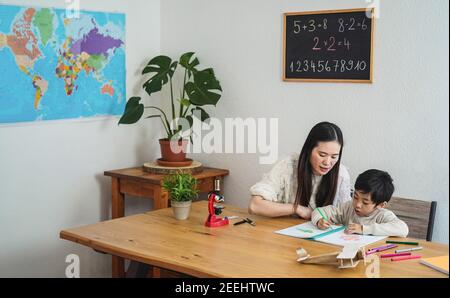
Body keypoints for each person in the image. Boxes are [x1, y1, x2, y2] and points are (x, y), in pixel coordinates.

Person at [248, 122, 351, 219]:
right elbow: (255, 205)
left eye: (334, 157)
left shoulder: (341, 174)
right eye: (322, 155)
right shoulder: (288, 166)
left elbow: (347, 216)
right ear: (309, 149)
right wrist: (296, 208)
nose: (327, 162)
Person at [312, 169, 409, 237]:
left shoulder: (382, 215)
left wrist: (363, 229)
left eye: (365, 202)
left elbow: (403, 229)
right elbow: (319, 211)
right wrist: (319, 220)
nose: (357, 204)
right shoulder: (348, 208)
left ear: (381, 205)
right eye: (355, 197)